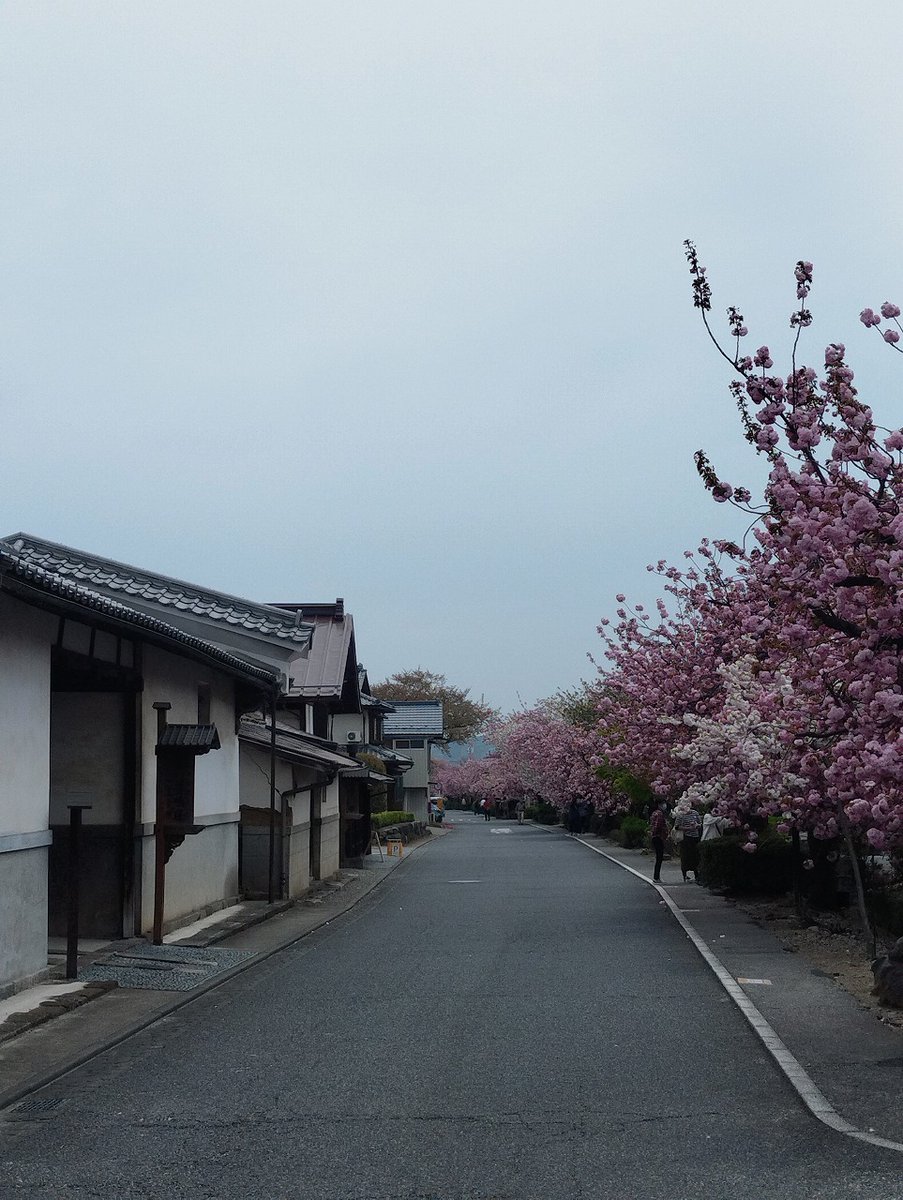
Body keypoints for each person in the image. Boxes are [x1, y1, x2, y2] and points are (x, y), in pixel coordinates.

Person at [672, 801, 703, 882]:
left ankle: (697, 875)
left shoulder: (695, 813)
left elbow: (700, 824)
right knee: (686, 857)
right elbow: (677, 827)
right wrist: (688, 828)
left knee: (696, 856)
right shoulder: (680, 815)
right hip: (686, 839)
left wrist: (696, 826)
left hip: (695, 837)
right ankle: (685, 875)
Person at [649, 801, 668, 882]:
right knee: (659, 857)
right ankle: (656, 877)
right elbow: (658, 826)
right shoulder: (659, 814)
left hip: (654, 837)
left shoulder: (654, 813)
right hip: (658, 837)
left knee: (658, 857)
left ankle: (657, 877)